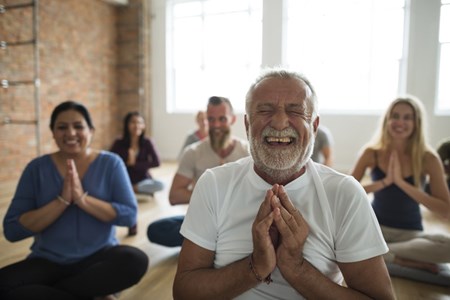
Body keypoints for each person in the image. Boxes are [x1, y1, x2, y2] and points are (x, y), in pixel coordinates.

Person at [172, 69, 395, 299]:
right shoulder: (213, 183)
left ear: (315, 126)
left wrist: (297, 269)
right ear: (248, 125)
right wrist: (255, 267)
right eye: (265, 110)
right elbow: (184, 292)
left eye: (295, 110)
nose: (279, 122)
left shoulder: (344, 193)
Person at [0, 101, 148, 300]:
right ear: (52, 132)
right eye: (62, 127)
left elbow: (129, 216)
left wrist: (82, 199)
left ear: (91, 131)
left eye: (78, 126)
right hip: (48, 261)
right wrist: (61, 201)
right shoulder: (36, 169)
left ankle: (63, 292)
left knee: (135, 260)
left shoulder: (111, 163)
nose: (70, 133)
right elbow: (12, 229)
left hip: (99, 259)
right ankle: (96, 295)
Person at [351, 96, 450, 274]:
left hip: (410, 235)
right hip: (375, 228)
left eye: (407, 117)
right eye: (395, 116)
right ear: (387, 120)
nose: (400, 122)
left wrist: (402, 183)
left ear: (416, 123)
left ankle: (378, 255)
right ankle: (404, 260)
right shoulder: (371, 152)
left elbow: (445, 210)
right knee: (336, 238)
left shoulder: (428, 158)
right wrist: (384, 182)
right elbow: (347, 191)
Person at [147, 96, 249, 247]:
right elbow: (174, 196)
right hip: (204, 221)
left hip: (238, 220)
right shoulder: (193, 152)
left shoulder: (247, 151)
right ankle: (217, 243)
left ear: (233, 119)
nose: (216, 125)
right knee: (156, 230)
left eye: (222, 119)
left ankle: (207, 244)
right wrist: (212, 198)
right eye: (211, 119)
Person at [110, 111, 164, 236]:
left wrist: (135, 164)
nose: (136, 125)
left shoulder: (147, 142)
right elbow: (111, 163)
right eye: (133, 122)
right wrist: (127, 162)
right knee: (121, 192)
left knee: (161, 185)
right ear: (127, 125)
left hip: (142, 181)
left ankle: (134, 190)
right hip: (125, 180)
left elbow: (157, 162)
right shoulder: (119, 143)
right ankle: (131, 219)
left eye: (139, 122)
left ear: (144, 125)